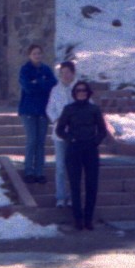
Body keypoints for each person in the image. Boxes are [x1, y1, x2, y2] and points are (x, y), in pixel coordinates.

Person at [55, 80, 109, 230]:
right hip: (74, 149)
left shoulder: (94, 109)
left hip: (90, 150)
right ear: (74, 93)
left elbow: (102, 130)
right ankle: (78, 219)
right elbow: (60, 130)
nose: (81, 93)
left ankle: (88, 219)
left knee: (92, 185)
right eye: (78, 91)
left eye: (84, 91)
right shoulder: (68, 109)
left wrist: (95, 142)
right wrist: (70, 138)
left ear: (88, 93)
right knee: (75, 185)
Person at [18, 44, 57, 184]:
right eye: (34, 53)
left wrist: (38, 82)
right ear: (30, 55)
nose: (37, 56)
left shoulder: (46, 69)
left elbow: (53, 84)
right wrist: (42, 83)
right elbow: (27, 87)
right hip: (28, 110)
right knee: (32, 140)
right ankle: (28, 170)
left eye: (39, 53)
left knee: (41, 142)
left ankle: (39, 171)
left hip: (42, 110)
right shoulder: (25, 69)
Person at [46, 60, 77, 207]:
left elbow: (89, 106)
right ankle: (60, 196)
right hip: (60, 133)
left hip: (76, 134)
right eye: (63, 73)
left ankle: (73, 196)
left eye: (68, 72)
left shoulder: (79, 89)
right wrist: (57, 119)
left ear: (73, 74)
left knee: (74, 166)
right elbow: (50, 109)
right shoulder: (55, 90)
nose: (65, 75)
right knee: (60, 166)